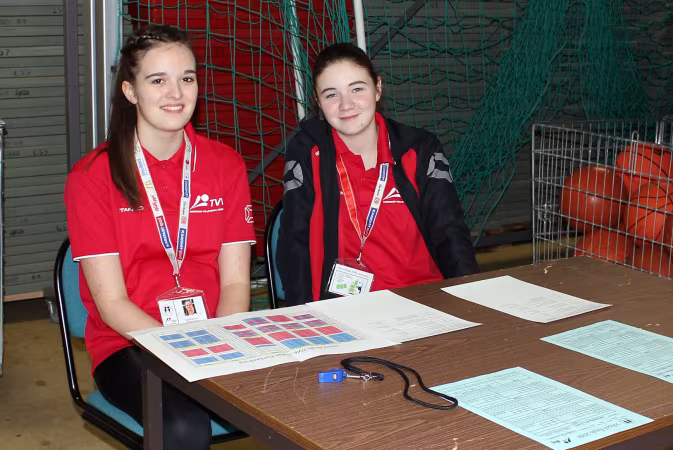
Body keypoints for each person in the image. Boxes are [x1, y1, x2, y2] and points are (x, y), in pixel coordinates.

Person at [64, 24, 255, 449]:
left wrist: (218, 345)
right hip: (129, 344)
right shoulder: (92, 178)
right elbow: (112, 305)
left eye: (186, 78)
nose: (176, 93)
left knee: (311, 390)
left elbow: (236, 283)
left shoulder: (226, 165)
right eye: (158, 80)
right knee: (184, 425)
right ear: (130, 91)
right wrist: (184, 351)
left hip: (215, 335)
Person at [278, 42, 478, 304]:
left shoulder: (419, 149)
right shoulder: (306, 151)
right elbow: (294, 241)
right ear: (317, 102)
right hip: (344, 309)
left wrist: (471, 303)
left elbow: (450, 232)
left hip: (424, 303)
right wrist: (304, 318)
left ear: (378, 89)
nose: (346, 105)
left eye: (357, 89)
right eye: (331, 95)